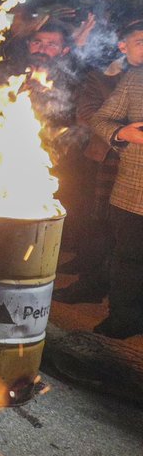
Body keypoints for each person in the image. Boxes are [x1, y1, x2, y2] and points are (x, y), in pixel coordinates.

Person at [89, 37, 143, 339]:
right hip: (135, 189)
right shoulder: (136, 79)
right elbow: (101, 119)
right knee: (129, 259)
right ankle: (123, 318)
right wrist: (121, 132)